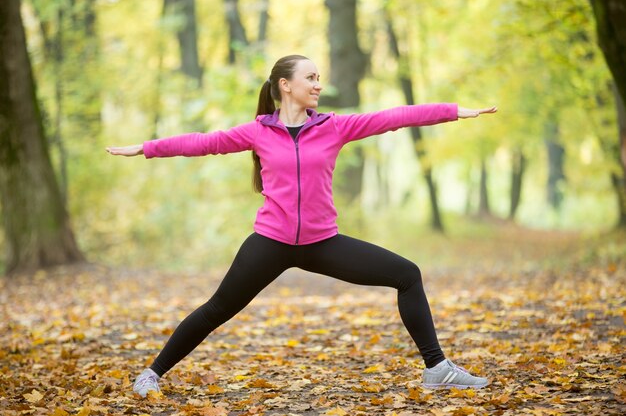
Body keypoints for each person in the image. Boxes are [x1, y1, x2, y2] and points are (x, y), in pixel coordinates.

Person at [106, 54, 497, 397]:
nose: (318, 85)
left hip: (322, 242)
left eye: (318, 77)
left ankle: (438, 369)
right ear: (285, 85)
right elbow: (203, 142)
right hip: (270, 242)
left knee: (407, 275)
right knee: (217, 309)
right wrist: (147, 148)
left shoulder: (333, 127)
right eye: (310, 78)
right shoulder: (257, 131)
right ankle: (151, 373)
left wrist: (451, 111)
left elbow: (391, 118)